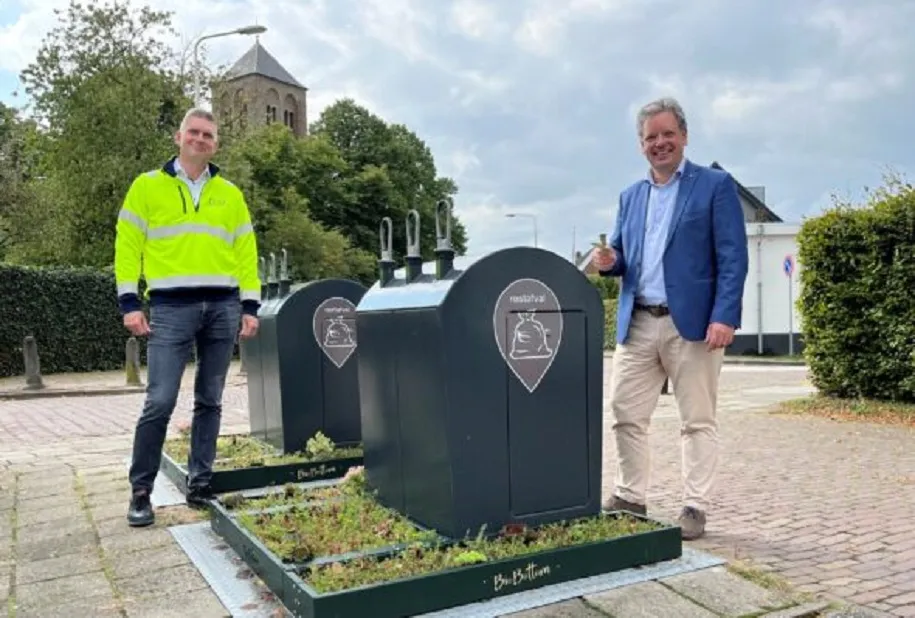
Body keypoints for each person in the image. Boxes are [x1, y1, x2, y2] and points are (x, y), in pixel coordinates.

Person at [595, 97, 749, 540]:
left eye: (667, 134)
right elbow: (625, 257)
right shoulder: (630, 196)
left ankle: (695, 507)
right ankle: (630, 496)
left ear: (683, 136)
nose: (659, 143)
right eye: (650, 137)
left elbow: (732, 257)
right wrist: (610, 261)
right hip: (637, 321)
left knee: (697, 419)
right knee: (624, 412)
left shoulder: (715, 186)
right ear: (640, 145)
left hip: (696, 326)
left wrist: (725, 316)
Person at [114, 107, 261, 527]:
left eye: (208, 135)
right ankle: (141, 490)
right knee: (159, 400)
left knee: (210, 400)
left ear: (216, 143)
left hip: (223, 307)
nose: (200, 139)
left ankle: (201, 481)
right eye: (193, 132)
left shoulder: (230, 194)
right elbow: (128, 246)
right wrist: (129, 302)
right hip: (171, 307)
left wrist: (250, 306)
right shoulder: (147, 187)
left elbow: (245, 253)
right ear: (179, 138)